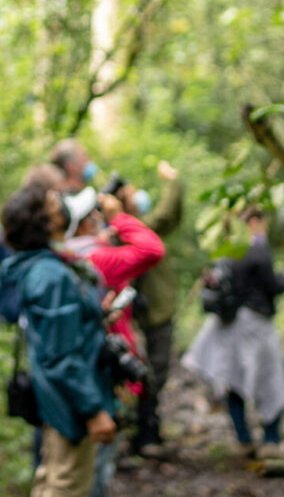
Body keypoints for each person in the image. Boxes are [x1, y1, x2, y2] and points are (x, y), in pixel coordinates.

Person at [0, 185, 117, 497]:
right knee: (67, 484)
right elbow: (61, 356)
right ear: (43, 221)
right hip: (70, 403)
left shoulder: (48, 265)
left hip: (60, 398)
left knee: (52, 478)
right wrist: (93, 410)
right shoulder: (51, 275)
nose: (61, 204)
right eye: (53, 203)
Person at [56, 185, 165, 497]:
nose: (99, 217)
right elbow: (152, 250)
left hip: (86, 369)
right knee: (95, 466)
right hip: (103, 369)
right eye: (94, 215)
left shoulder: (71, 255)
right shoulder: (97, 259)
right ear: (85, 224)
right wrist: (120, 218)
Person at [182, 206, 284, 459]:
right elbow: (272, 286)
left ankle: (244, 439)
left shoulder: (226, 250)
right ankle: (270, 440)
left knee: (235, 381)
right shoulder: (257, 249)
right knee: (272, 379)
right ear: (253, 222)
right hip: (256, 325)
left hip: (233, 326)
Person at [125, 162, 184, 456]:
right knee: (152, 371)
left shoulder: (138, 229)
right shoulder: (134, 231)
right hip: (150, 315)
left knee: (154, 370)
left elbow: (170, 218)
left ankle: (147, 427)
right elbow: (166, 213)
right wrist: (173, 180)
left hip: (154, 311)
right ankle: (144, 431)